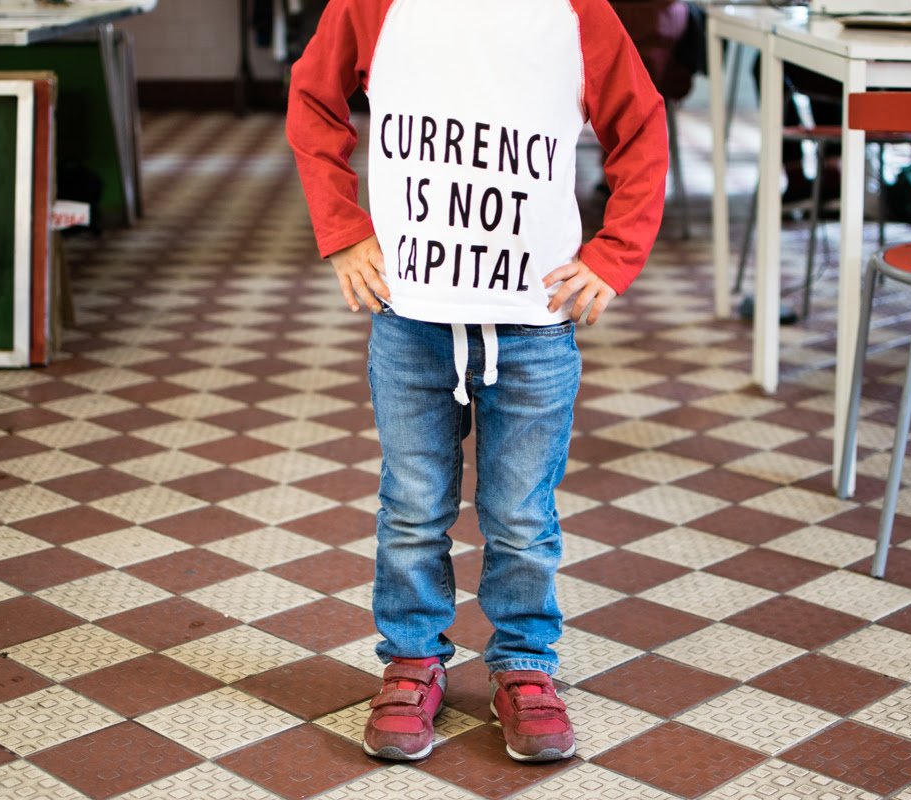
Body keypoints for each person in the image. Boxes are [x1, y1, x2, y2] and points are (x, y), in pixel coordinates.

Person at [286, 0, 668, 763]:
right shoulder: (374, 5)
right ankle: (412, 660)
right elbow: (313, 98)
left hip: (532, 325)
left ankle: (525, 664)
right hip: (411, 318)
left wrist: (615, 251)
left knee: (521, 515)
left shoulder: (576, 13)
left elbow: (642, 126)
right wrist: (344, 229)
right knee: (411, 509)